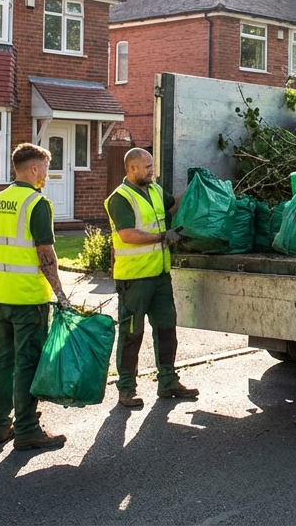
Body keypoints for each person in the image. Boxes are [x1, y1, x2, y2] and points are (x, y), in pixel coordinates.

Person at [0, 142, 68, 450]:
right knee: (28, 362)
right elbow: (45, 253)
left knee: (2, 361)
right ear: (34, 169)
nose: (47, 173)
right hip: (28, 298)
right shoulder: (37, 203)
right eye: (46, 167)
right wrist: (61, 294)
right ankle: (28, 428)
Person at [106, 147, 200, 409]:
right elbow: (127, 235)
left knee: (167, 328)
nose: (152, 170)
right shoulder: (120, 198)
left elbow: (172, 206)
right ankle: (126, 389)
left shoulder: (156, 190)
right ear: (132, 168)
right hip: (134, 280)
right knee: (131, 334)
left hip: (159, 276)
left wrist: (194, 187)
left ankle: (168, 381)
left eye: (152, 166)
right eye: (147, 167)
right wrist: (162, 237)